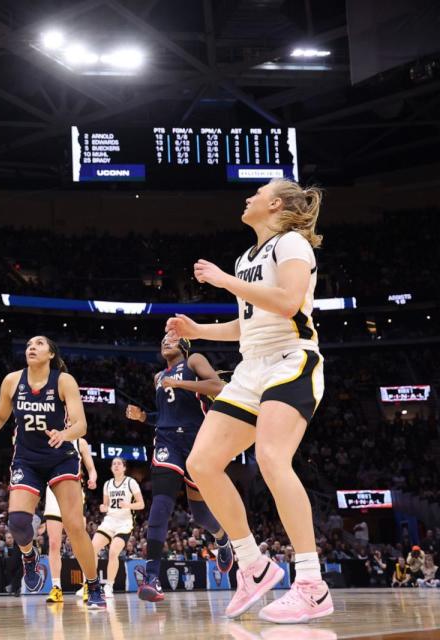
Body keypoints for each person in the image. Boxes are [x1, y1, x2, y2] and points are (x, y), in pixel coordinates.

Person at [168, 179, 329, 623]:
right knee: (201, 465)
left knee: (273, 458)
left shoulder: (292, 244)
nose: (248, 198)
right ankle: (253, 565)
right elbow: (249, 324)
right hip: (250, 368)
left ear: (275, 203)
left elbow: (287, 302)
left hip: (290, 361)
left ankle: (312, 584)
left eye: (256, 193)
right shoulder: (247, 258)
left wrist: (223, 280)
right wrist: (200, 332)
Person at [0, 336, 106, 608]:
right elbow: (0, 416)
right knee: (18, 521)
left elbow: (81, 425)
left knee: (75, 525)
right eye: (30, 343)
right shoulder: (12, 381)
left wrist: (64, 434)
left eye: (40, 344)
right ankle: (29, 556)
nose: (32, 346)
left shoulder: (64, 381)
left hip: (61, 457)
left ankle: (93, 585)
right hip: (27, 459)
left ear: (51, 354)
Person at [125, 334, 233, 602]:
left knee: (200, 514)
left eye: (172, 339)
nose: (165, 341)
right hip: (166, 441)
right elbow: (164, 415)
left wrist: (181, 383)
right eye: (162, 339)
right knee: (160, 507)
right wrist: (143, 417)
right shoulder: (158, 376)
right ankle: (151, 579)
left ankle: (221, 537)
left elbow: (218, 386)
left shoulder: (194, 360)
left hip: (197, 441)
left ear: (184, 346)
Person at [80, 458, 143, 599]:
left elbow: (141, 504)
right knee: (92, 549)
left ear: (124, 468)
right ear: (111, 468)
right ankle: (89, 584)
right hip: (110, 521)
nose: (116, 465)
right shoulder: (107, 484)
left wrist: (128, 505)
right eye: (114, 464)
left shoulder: (130, 482)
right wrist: (103, 507)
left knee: (113, 552)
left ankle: (109, 586)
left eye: (119, 463)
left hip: (124, 523)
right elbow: (105, 505)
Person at [45, 437, 96, 603]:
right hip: (52, 491)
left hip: (73, 491)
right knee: (53, 543)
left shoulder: (80, 441)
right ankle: (56, 587)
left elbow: (91, 468)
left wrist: (93, 478)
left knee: (77, 540)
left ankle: (89, 583)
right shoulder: (49, 435)